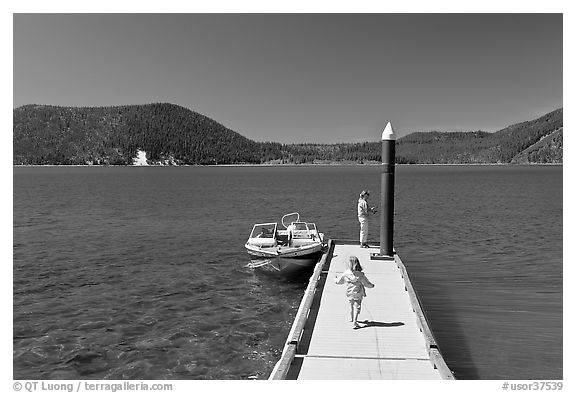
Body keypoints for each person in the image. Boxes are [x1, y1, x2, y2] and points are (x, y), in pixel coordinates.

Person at [335, 255, 375, 329]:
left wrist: (335, 279)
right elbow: (366, 283)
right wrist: (372, 285)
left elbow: (339, 282)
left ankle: (351, 317)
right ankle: (355, 322)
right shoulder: (360, 275)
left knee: (351, 304)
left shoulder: (346, 273)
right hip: (358, 293)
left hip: (349, 292)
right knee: (357, 307)